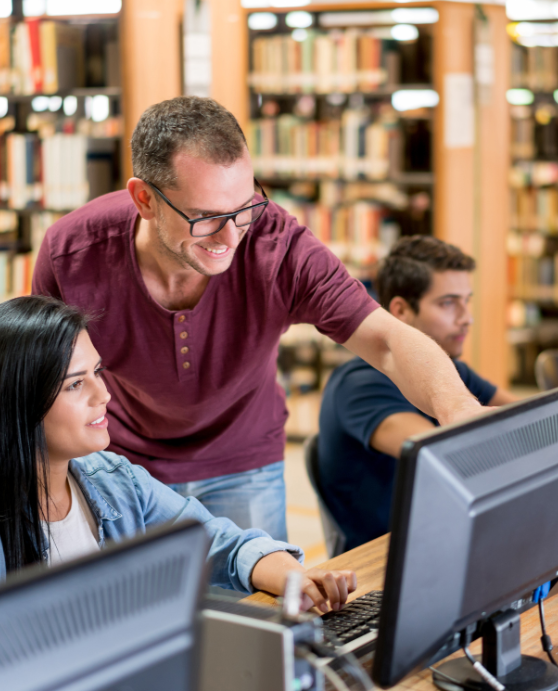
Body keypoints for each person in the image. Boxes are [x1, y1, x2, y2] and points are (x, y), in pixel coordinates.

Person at [32, 97, 488, 541]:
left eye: (245, 207)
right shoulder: (70, 253)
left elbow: (388, 340)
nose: (231, 237)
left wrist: (459, 411)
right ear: (145, 199)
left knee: (258, 611)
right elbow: (42, 383)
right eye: (205, 217)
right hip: (124, 464)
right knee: (144, 616)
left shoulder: (279, 245)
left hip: (245, 463)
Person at [0, 296, 356, 611]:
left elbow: (217, 542)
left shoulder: (112, 478)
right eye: (76, 384)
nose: (104, 395)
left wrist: (291, 576)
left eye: (98, 372)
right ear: (17, 401)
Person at [316, 237, 558, 551]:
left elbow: (528, 411)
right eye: (448, 303)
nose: (466, 317)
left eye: (466, 301)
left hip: (456, 533)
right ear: (401, 310)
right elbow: (446, 456)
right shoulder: (360, 384)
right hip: (387, 557)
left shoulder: (448, 371)